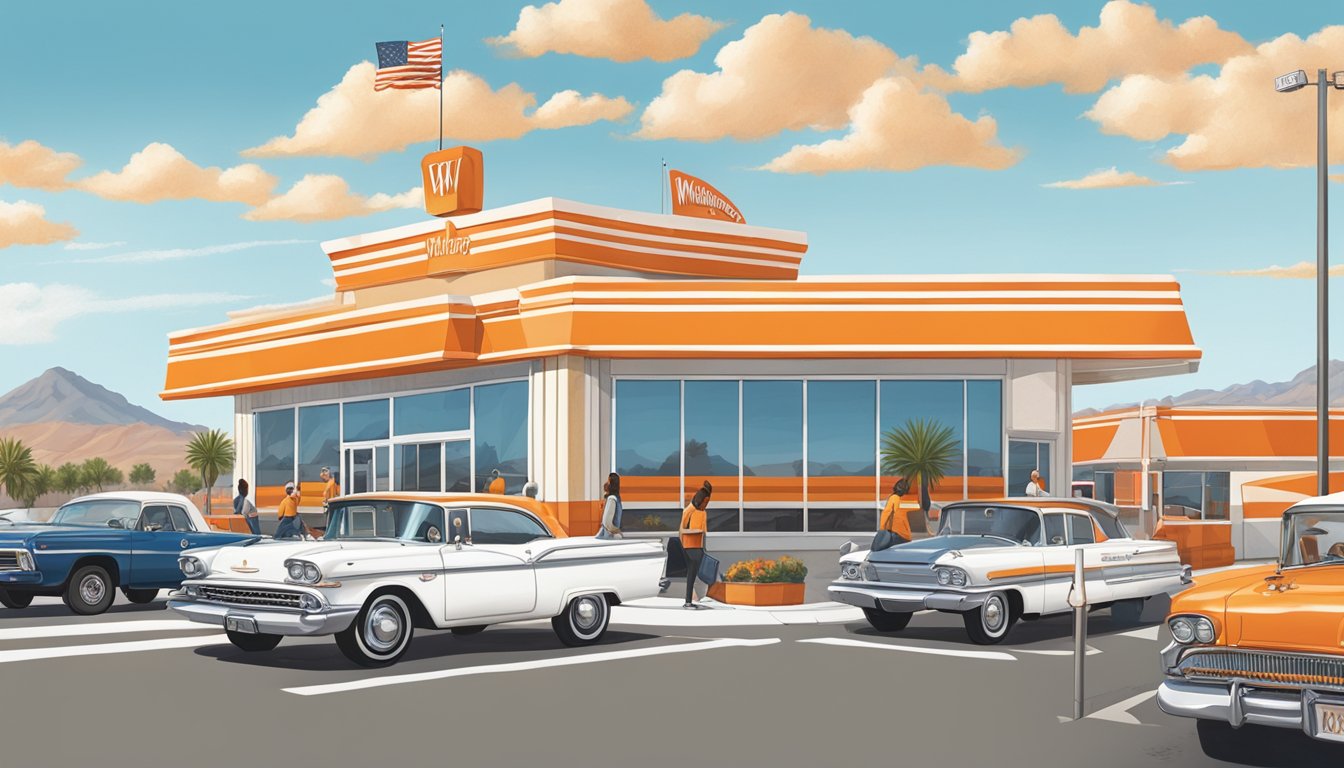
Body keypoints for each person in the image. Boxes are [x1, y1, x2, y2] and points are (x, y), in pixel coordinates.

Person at [678, 481, 712, 609]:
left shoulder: (703, 512)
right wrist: (693, 532)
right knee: (692, 573)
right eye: (705, 502)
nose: (706, 504)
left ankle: (695, 597)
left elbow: (704, 532)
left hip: (699, 546)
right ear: (700, 500)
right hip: (689, 546)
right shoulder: (689, 511)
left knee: (701, 573)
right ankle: (689, 600)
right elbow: (681, 530)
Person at [878, 478, 913, 546]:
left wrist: (882, 529)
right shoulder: (898, 499)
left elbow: (886, 513)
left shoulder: (894, 498)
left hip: (897, 533)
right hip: (903, 535)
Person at [596, 472, 623, 539]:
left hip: (609, 536)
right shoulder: (614, 498)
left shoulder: (612, 499)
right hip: (609, 536)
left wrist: (616, 531)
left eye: (608, 481)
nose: (605, 483)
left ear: (611, 484)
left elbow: (607, 522)